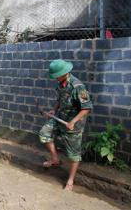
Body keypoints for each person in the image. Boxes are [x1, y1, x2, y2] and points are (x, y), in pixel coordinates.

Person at [38, 59, 92, 191]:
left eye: (56, 75)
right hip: (60, 118)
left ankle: (71, 179)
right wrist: (54, 110)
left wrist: (73, 122)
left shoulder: (78, 87)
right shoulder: (61, 83)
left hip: (73, 124)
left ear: (65, 73)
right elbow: (59, 99)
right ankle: (55, 159)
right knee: (44, 134)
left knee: (73, 154)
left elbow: (87, 108)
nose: (55, 78)